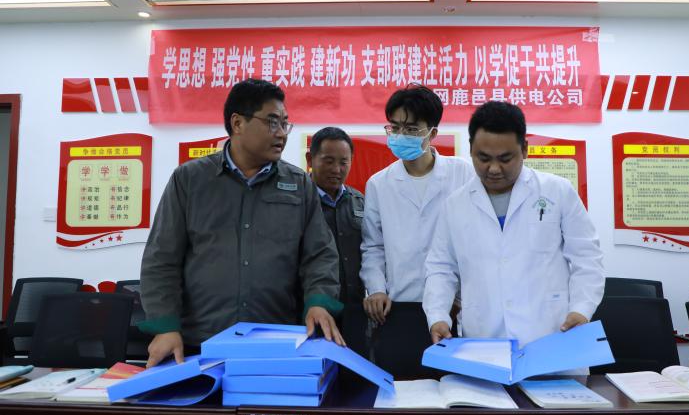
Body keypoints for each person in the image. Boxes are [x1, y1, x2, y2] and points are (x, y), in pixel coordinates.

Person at [140, 78, 344, 368]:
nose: (281, 133)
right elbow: (162, 258)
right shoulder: (190, 180)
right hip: (201, 342)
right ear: (237, 123)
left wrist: (318, 302)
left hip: (275, 341)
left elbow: (320, 255)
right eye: (272, 122)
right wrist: (165, 327)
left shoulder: (298, 184)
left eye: (285, 123)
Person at [423, 101, 604, 348]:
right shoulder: (455, 205)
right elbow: (441, 268)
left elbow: (587, 257)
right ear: (471, 149)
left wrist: (582, 309)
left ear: (525, 149)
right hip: (484, 337)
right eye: (483, 158)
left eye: (505, 159)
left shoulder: (557, 191)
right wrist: (437, 316)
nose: (494, 169)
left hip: (550, 334)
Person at [360, 84, 473, 324]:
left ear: (432, 133)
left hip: (454, 304)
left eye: (411, 129)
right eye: (395, 127)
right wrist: (376, 289)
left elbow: (475, 239)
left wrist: (461, 294)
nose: (401, 135)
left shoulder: (463, 173)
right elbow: (373, 247)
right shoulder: (379, 184)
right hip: (399, 303)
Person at [306, 127, 365, 304]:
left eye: (343, 162)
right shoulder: (298, 201)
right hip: (311, 306)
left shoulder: (360, 201)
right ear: (310, 159)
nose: (336, 170)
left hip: (354, 306)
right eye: (329, 161)